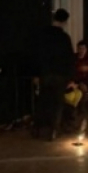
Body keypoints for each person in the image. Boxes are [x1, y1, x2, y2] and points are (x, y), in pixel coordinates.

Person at [33, 8, 75, 141]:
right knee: (57, 103)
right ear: (64, 22)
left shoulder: (42, 35)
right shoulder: (65, 38)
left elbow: (37, 56)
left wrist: (36, 74)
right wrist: (70, 77)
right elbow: (69, 59)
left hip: (45, 73)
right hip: (60, 75)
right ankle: (53, 131)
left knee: (43, 101)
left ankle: (37, 129)